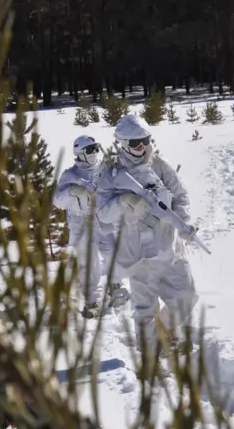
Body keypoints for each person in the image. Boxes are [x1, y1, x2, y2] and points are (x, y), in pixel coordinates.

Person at [96, 115, 199, 355]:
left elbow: (181, 196)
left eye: (144, 141)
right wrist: (124, 201)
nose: (141, 148)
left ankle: (164, 332)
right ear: (122, 143)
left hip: (170, 247)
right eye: (135, 144)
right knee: (145, 310)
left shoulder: (160, 166)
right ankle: (152, 357)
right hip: (138, 253)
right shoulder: (111, 174)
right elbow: (102, 213)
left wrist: (182, 220)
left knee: (186, 296)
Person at [53, 135, 126, 318]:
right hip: (81, 222)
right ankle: (92, 301)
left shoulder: (104, 169)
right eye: (89, 149)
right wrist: (72, 191)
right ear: (80, 153)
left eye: (95, 148)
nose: (94, 152)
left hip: (102, 217)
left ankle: (115, 285)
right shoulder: (70, 175)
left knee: (112, 251)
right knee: (89, 261)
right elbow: (58, 201)